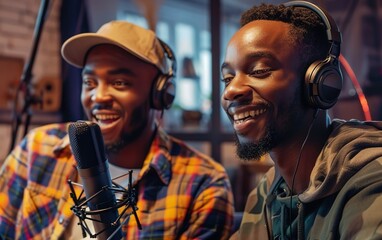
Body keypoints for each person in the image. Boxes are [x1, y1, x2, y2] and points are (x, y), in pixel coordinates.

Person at [0, 20, 234, 239]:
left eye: (119, 83)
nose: (98, 96)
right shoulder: (38, 147)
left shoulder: (203, 184)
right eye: (89, 83)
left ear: (161, 94)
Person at [221, 1, 382, 239]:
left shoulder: (371, 182)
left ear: (318, 83)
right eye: (228, 78)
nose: (231, 91)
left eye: (258, 71)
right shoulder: (266, 193)